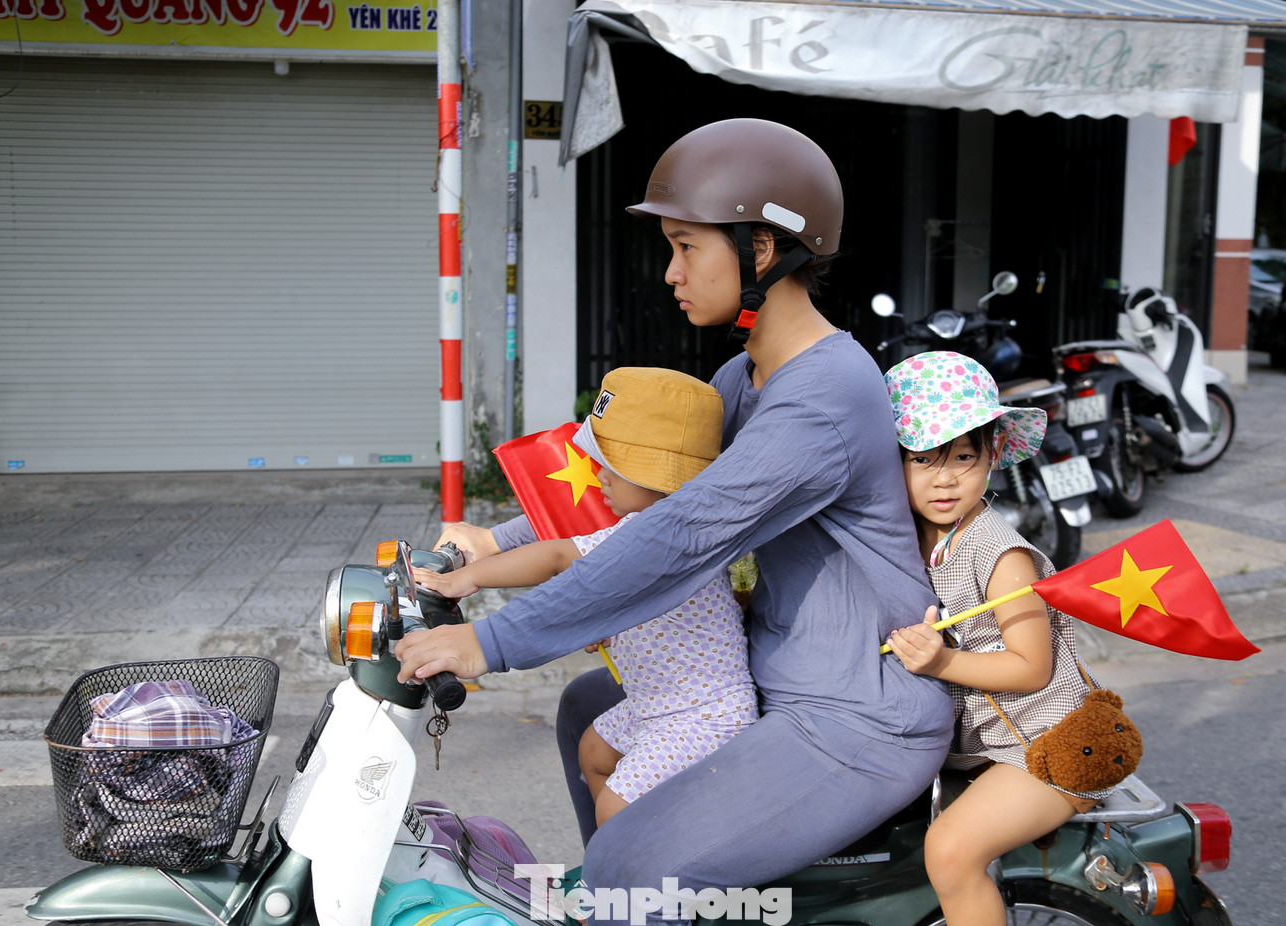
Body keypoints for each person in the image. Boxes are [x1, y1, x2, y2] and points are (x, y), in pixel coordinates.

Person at [395, 118, 953, 925]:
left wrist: (492, 641)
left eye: (687, 246)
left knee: (632, 863)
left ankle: (631, 899)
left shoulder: (824, 396)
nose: (670, 272)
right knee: (587, 708)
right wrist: (491, 543)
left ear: (762, 249)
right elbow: (638, 488)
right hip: (782, 676)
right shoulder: (746, 375)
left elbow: (683, 532)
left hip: (853, 717)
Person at [413, 366, 757, 828]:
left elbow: (557, 557)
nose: (598, 475)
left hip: (700, 717)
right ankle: (616, 847)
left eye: (612, 466)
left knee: (615, 806)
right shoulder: (665, 525)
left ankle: (630, 863)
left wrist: (465, 578)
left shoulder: (659, 535)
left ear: (657, 477)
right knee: (594, 753)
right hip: (657, 703)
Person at [883, 350, 1117, 926]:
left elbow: (1031, 667)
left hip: (1050, 745)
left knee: (951, 851)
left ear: (992, 455)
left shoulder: (999, 553)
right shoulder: (911, 534)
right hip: (987, 747)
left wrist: (939, 663)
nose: (944, 478)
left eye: (963, 456)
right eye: (921, 458)